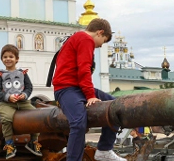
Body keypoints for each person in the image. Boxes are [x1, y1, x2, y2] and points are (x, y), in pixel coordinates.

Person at [51, 18, 126, 161]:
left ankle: (104, 149)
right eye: (103, 41)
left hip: (77, 87)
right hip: (66, 88)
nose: (101, 46)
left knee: (116, 106)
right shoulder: (85, 39)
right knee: (78, 123)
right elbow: (84, 69)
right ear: (100, 33)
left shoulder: (77, 38)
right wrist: (90, 95)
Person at [0, 44, 41, 159]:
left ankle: (33, 141)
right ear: (2, 59)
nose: (8, 59)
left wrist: (24, 95)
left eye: (11, 56)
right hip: (7, 103)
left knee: (37, 116)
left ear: (17, 59)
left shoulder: (22, 73)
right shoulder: (0, 75)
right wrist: (7, 97)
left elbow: (29, 87)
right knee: (6, 118)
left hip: (23, 102)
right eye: (5, 57)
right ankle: (9, 144)